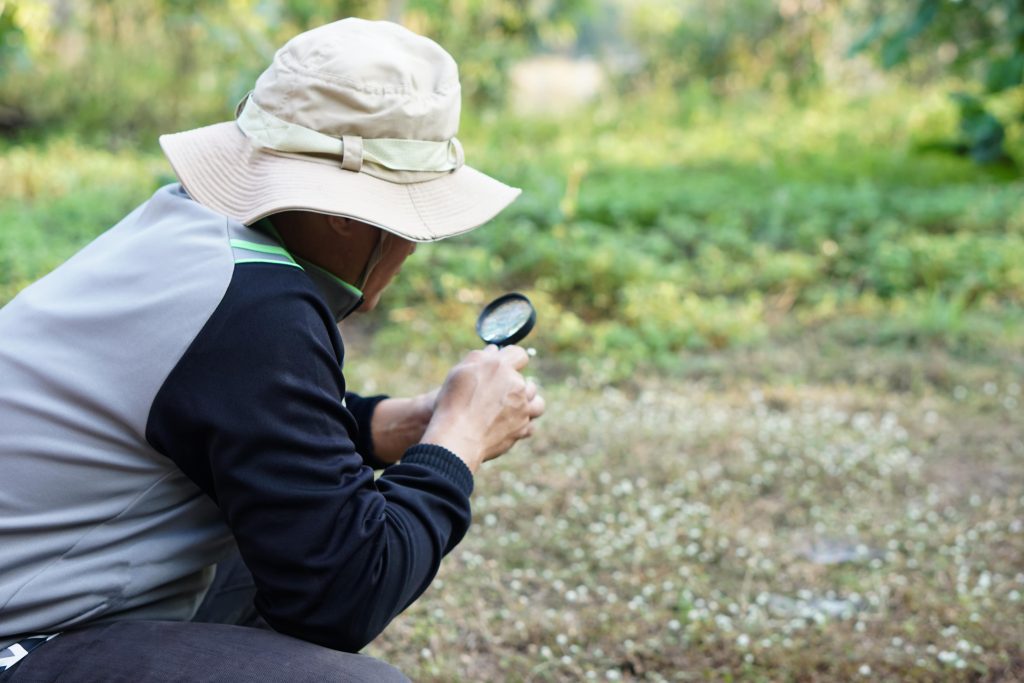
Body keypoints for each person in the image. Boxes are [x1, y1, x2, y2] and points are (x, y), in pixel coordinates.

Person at [0, 18, 544, 682]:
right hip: (19, 635)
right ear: (349, 213)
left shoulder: (190, 228)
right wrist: (458, 438)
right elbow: (346, 592)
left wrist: (389, 424)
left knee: (288, 534)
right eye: (412, 219)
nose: (409, 247)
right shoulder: (258, 308)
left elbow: (214, 410)